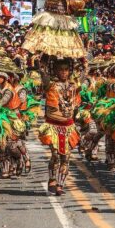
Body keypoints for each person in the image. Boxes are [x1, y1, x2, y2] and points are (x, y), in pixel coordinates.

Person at [39, 59, 81, 196]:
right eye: (61, 70)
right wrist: (42, 64)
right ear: (56, 71)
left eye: (66, 70)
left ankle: (60, 185)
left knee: (66, 157)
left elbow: (83, 78)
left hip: (68, 126)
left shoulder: (74, 86)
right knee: (56, 155)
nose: (63, 72)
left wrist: (84, 64)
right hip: (53, 126)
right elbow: (44, 77)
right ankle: (52, 179)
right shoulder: (51, 85)